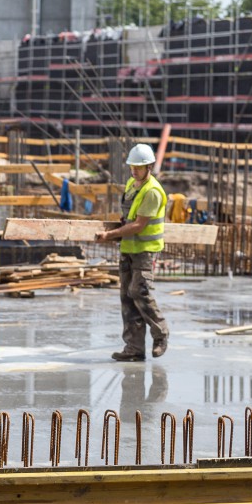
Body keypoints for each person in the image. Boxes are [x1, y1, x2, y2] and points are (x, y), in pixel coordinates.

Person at [96, 143, 169, 362]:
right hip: (128, 247)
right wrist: (119, 229)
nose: (134, 170)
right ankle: (134, 348)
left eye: (139, 167)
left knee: (140, 292)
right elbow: (128, 218)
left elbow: (139, 225)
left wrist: (111, 235)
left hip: (144, 250)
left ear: (149, 166)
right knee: (127, 297)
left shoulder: (153, 191)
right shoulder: (132, 184)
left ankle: (161, 333)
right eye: (132, 166)